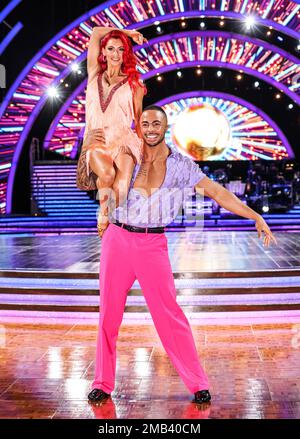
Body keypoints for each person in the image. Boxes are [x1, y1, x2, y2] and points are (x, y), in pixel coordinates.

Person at [87, 105, 277, 405]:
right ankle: (102, 382)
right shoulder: (127, 154)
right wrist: (104, 207)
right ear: (140, 126)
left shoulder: (182, 166)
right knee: (108, 315)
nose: (150, 128)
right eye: (145, 123)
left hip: (153, 244)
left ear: (166, 127)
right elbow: (107, 179)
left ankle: (198, 382)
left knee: (169, 315)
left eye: (156, 123)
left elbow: (217, 192)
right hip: (118, 238)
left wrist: (255, 216)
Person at [77, 26, 147, 236]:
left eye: (120, 50)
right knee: (106, 174)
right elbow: (97, 31)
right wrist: (128, 33)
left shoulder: (135, 83)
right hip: (97, 139)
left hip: (124, 141)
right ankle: (104, 215)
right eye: (111, 49)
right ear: (103, 52)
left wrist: (146, 153)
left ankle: (110, 224)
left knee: (122, 189)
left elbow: (139, 118)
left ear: (125, 54)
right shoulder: (93, 74)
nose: (116, 54)